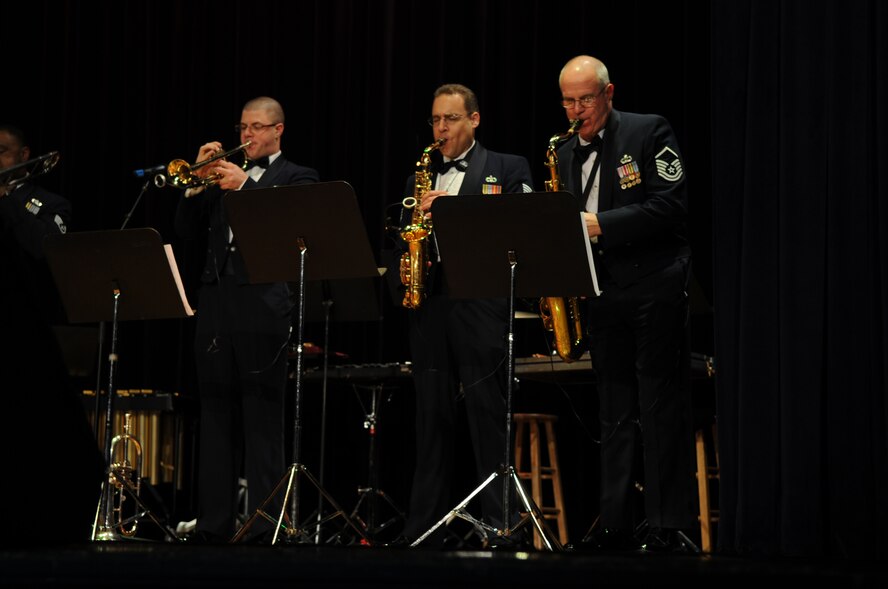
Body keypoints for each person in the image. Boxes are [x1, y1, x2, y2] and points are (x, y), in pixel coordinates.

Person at [555, 56, 696, 551]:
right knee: (613, 413)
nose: (576, 111)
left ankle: (666, 525)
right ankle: (614, 526)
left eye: (585, 99)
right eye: (568, 101)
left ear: (608, 93)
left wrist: (600, 224)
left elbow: (670, 203)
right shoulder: (565, 152)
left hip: (655, 284)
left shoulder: (649, 131)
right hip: (603, 292)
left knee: (659, 406)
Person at [392, 84, 534, 548]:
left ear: (474, 120)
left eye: (450, 119)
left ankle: (502, 527)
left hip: (481, 307)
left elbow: (521, 224)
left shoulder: (508, 167)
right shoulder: (422, 172)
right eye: (435, 120)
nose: (440, 129)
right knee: (431, 421)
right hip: (431, 308)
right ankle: (424, 530)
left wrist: (452, 210)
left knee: (487, 419)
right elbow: (406, 234)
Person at [174, 97, 319, 543]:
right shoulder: (221, 177)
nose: (247, 137)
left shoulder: (298, 176)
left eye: (257, 128)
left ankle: (264, 526)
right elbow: (184, 234)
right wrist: (195, 185)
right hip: (216, 303)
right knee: (214, 417)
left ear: (278, 131)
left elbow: (296, 225)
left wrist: (244, 188)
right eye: (242, 128)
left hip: (264, 306)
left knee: (262, 419)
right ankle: (214, 525)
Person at [0, 124, 103, 544]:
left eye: (3, 151)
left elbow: (46, 248)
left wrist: (7, 202)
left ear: (24, 154)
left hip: (34, 335)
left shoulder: (47, 203)